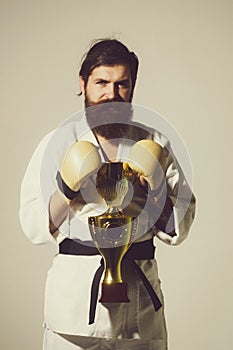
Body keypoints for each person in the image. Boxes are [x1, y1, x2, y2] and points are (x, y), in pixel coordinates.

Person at [19, 39, 196, 350]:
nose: (110, 95)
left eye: (121, 85)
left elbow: (179, 229)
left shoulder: (155, 143)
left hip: (139, 315)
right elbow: (34, 226)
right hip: (72, 315)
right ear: (83, 84)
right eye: (101, 82)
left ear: (131, 88)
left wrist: (154, 195)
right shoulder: (57, 143)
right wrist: (67, 189)